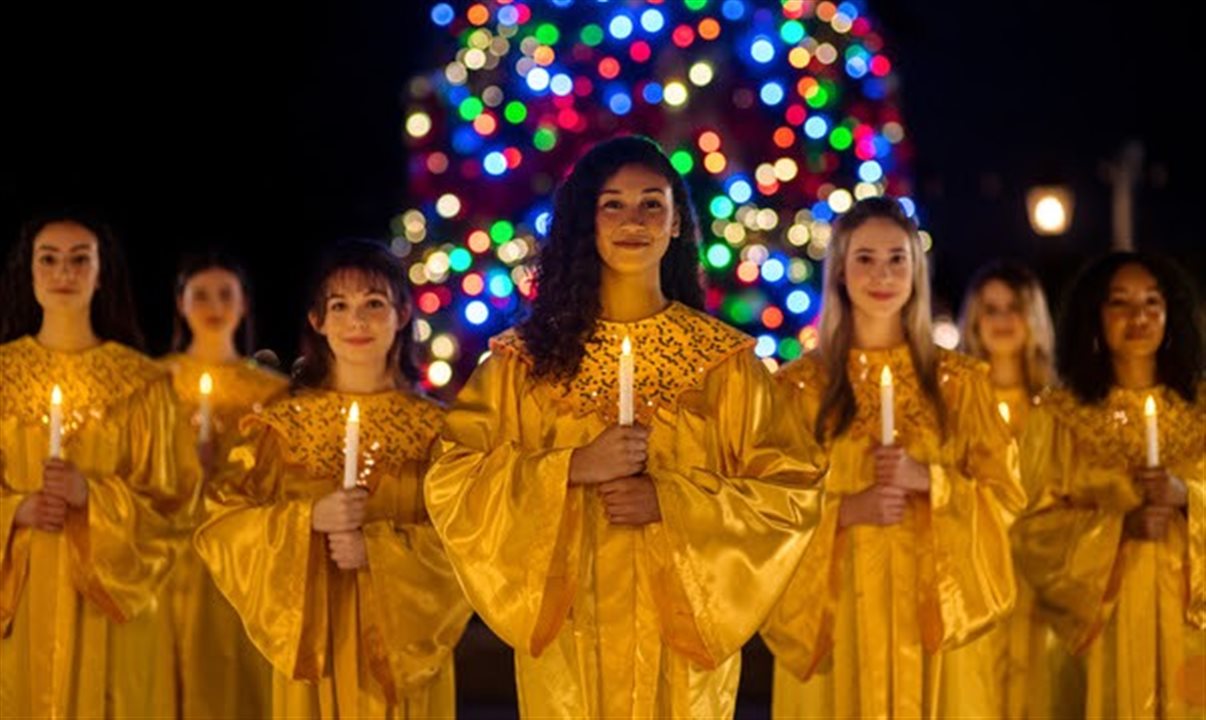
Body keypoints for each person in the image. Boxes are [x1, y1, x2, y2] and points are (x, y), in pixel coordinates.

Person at [424, 135, 825, 717]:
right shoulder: (524, 363)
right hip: (571, 638)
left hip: (679, 647)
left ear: (679, 225)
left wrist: (672, 500)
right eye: (612, 203)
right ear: (585, 222)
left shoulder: (724, 364)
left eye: (652, 204)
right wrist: (573, 467)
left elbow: (790, 489)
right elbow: (452, 477)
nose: (632, 220)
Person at [762, 197, 1025, 718]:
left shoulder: (961, 386)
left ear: (915, 270)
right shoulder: (797, 390)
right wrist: (844, 511)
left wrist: (931, 481)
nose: (882, 274)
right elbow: (765, 510)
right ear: (839, 268)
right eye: (865, 258)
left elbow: (1005, 496)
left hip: (931, 621)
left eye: (896, 259)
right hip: (837, 621)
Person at [194, 239, 470, 717]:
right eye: (339, 306)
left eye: (373, 304)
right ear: (317, 321)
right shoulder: (276, 430)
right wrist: (307, 520)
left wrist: (383, 551)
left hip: (404, 658)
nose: (356, 322)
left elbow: (472, 543)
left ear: (403, 314)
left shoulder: (442, 433)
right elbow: (221, 525)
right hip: (316, 651)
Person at [0, 210, 197, 717]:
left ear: (100, 271)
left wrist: (95, 500)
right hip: (21, 602)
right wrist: (16, 511)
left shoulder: (142, 384)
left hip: (110, 607)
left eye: (79, 260)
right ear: (30, 271)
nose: (63, 272)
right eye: (49, 259)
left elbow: (176, 509)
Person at [1012, 251, 1205, 717]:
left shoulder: (1201, 411)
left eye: (1152, 302)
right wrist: (1119, 528)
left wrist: (1188, 498)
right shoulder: (1058, 418)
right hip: (1105, 635)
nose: (1139, 316)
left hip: (1190, 630)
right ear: (1094, 317)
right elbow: (1031, 532)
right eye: (1120, 303)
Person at [161, 250, 286, 718]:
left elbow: (275, 482)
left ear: (244, 304)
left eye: (225, 294)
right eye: (201, 294)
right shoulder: (156, 382)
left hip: (239, 563)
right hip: (168, 559)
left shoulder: (271, 394)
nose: (213, 305)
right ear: (181, 304)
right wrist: (184, 463)